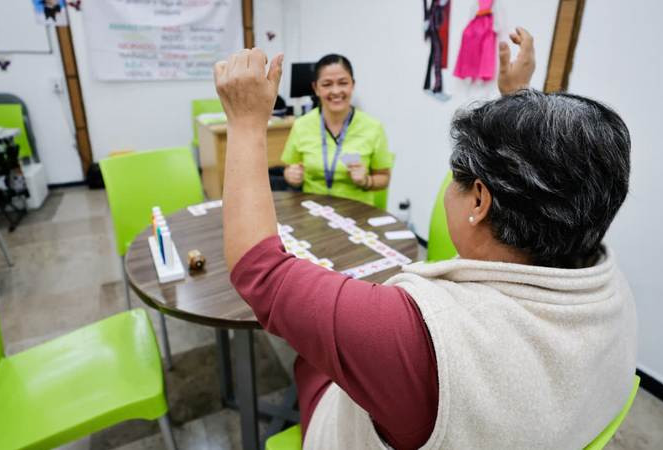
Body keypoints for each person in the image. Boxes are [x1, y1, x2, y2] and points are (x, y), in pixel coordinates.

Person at [214, 27, 636, 450]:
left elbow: (261, 271)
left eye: (455, 176)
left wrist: (246, 124)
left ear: (479, 200)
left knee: (310, 362)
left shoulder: (409, 333)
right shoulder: (613, 291)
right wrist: (515, 96)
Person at [282, 54, 394, 206]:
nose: (335, 91)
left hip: (357, 211)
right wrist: (291, 176)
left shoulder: (373, 127)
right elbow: (289, 168)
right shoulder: (301, 125)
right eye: (327, 84)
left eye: (343, 83)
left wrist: (366, 180)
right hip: (312, 209)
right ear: (316, 88)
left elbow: (384, 178)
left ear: (352, 85)